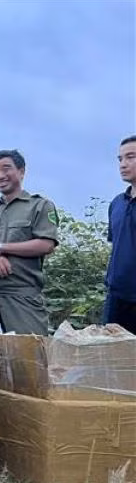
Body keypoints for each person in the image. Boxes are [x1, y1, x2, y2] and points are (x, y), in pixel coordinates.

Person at [0, 149, 59, 335]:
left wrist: (1, 248)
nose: (0, 176)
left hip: (22, 295)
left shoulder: (39, 205)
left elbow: (46, 244)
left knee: (30, 356)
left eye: (6, 169)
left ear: (21, 171)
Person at [103, 135, 136, 334]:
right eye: (120, 159)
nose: (123, 164)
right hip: (116, 297)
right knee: (113, 358)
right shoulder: (117, 204)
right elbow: (117, 246)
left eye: (131, 157)